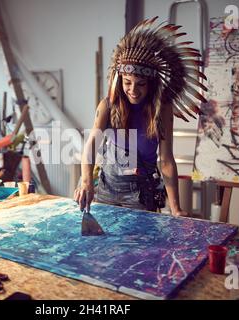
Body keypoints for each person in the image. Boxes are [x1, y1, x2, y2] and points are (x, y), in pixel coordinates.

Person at [74, 17, 207, 216]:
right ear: (120, 81)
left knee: (140, 245)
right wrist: (85, 181)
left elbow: (166, 160)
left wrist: (176, 208)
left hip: (141, 196)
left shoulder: (162, 110)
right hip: (106, 190)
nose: (133, 90)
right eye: (127, 82)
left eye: (140, 84)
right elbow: (91, 144)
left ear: (151, 84)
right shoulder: (108, 106)